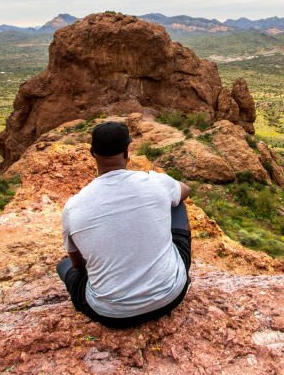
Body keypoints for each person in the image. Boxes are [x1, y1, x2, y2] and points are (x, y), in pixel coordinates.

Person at [55, 121, 192, 328]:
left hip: (110, 315)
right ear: (127, 152)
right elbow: (185, 189)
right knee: (177, 203)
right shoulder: (155, 182)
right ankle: (170, 272)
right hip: (171, 295)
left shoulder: (73, 207)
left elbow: (78, 265)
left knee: (63, 266)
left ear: (92, 153)